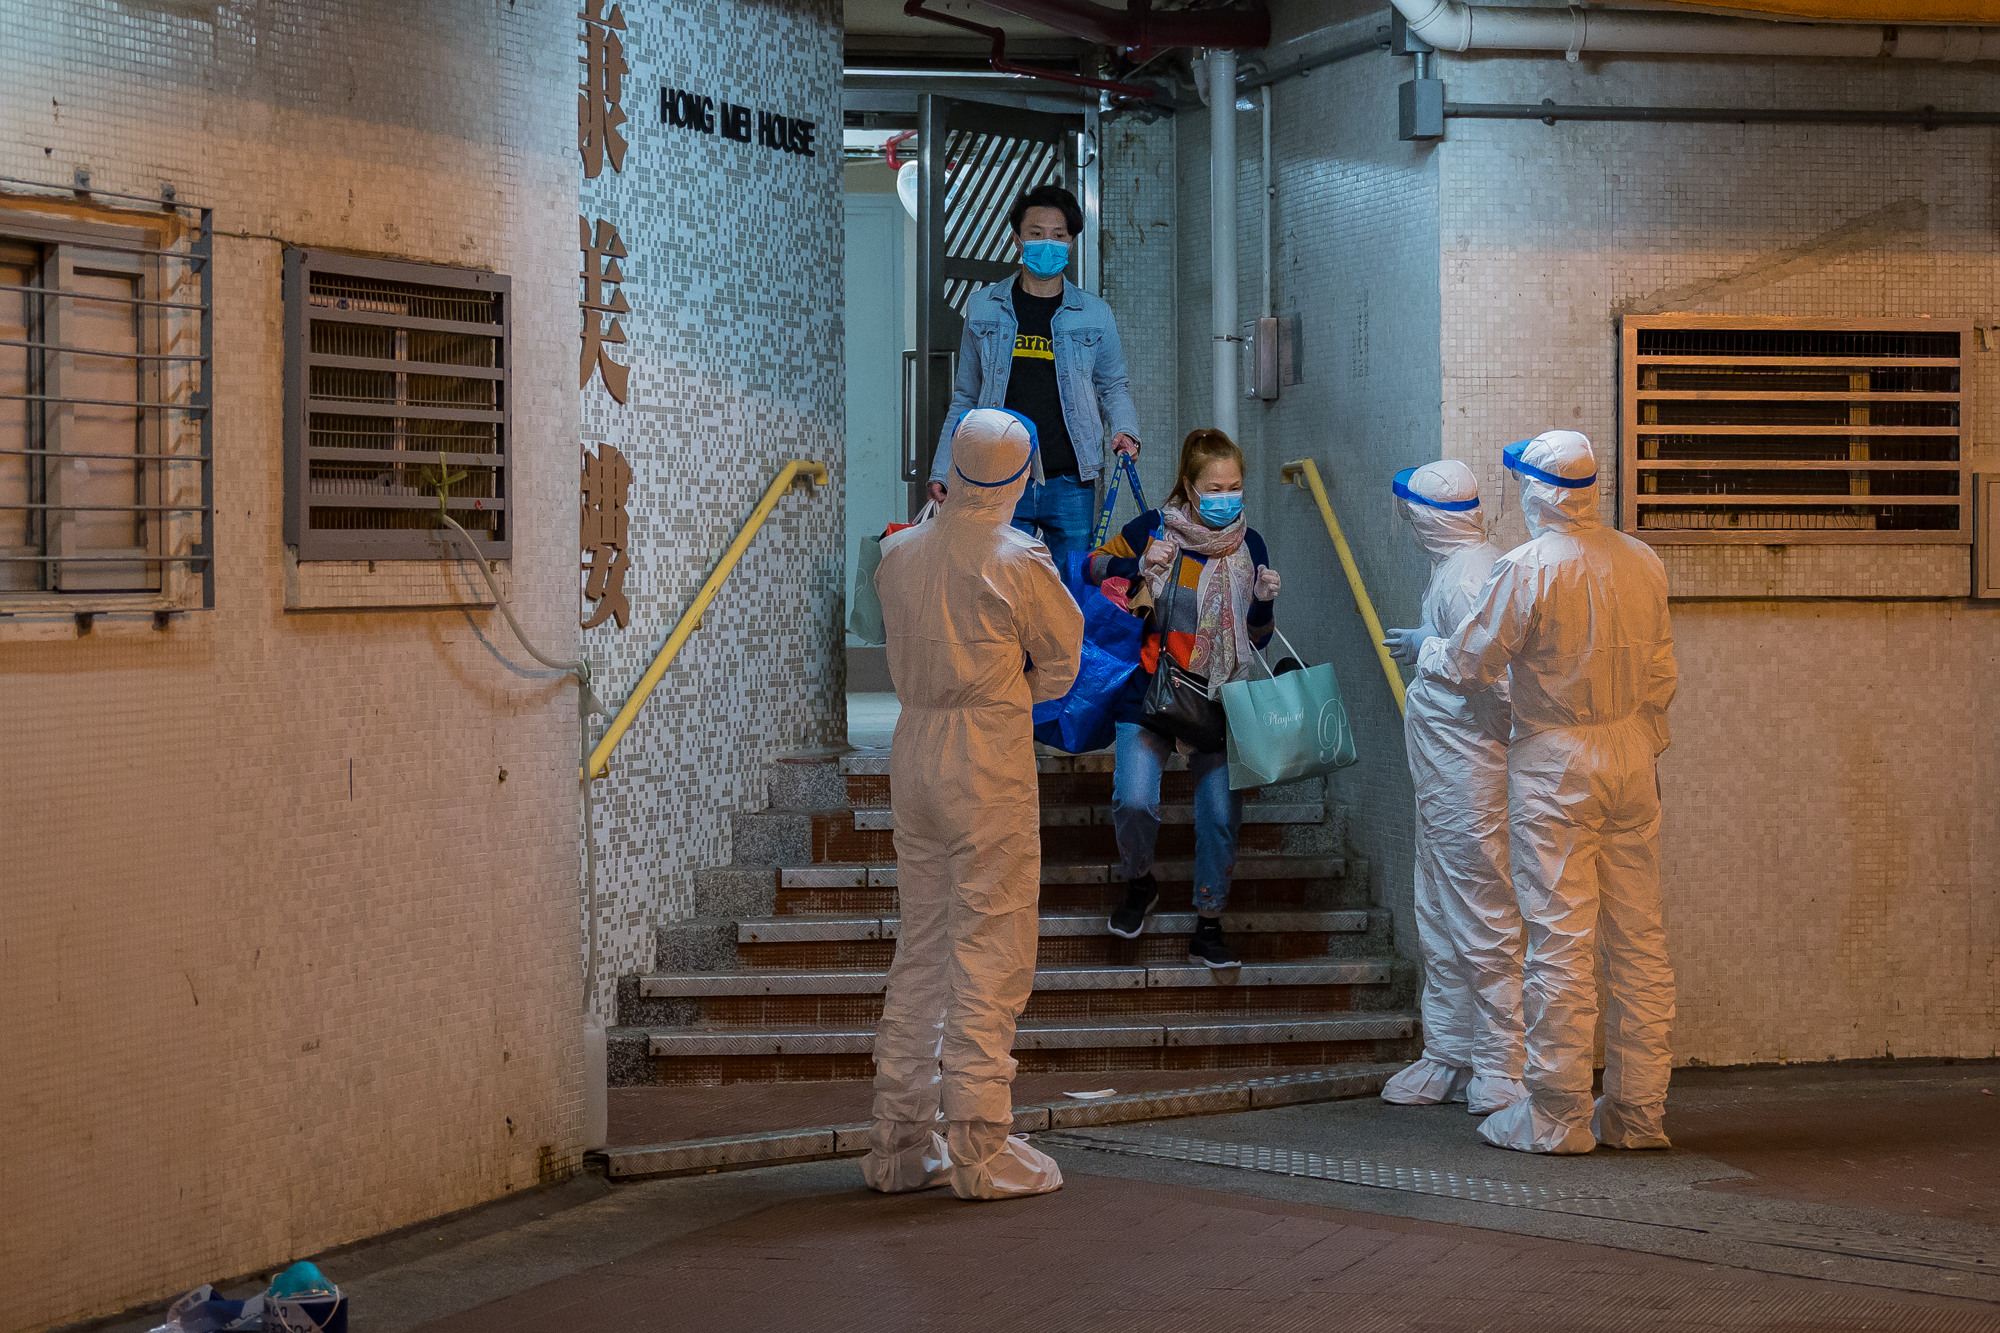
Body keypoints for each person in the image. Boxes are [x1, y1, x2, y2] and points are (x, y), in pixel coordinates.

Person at [1418, 430, 1678, 1155]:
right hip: (1631, 753)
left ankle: (1558, 1112)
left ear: (1535, 491)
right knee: (1639, 939)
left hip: (1555, 759)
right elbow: (1662, 672)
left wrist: (1429, 648)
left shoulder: (1527, 568)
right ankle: (1637, 1112)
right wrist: (1646, 743)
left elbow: (1474, 659)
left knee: (1561, 936)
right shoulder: (1641, 560)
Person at [864, 407, 1085, 1200]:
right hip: (987, 751)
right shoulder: (1018, 558)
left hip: (914, 747)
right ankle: (981, 1150)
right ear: (1021, 477)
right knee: (988, 945)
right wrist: (1006, 694)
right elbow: (1063, 662)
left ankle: (897, 1141)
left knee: (920, 944)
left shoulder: (897, 553)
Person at [1086, 429, 1281, 969]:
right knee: (1134, 800)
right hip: (1152, 688)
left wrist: (1263, 604)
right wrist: (1138, 566)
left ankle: (1209, 923)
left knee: (1220, 816)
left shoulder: (1250, 546)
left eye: (1235, 485)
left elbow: (1258, 638)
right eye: (1215, 487)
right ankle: (1140, 882)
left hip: (1222, 699)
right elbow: (1090, 565)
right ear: (1191, 489)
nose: (1227, 496)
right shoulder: (1153, 528)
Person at [1377, 461, 1526, 1116]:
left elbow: (1500, 687)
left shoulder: (1469, 576)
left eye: (1409, 512)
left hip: (1469, 778)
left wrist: (1490, 751)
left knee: (1481, 910)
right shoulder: (1459, 568)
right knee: (1439, 909)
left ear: (1428, 518)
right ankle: (1449, 1051)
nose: (1404, 523)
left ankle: (1500, 1063)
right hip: (1443, 779)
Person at [927, 183, 1142, 577]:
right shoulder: (983, 307)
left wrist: (1126, 430)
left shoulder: (1094, 313)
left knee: (1072, 590)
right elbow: (965, 397)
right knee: (999, 588)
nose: (1048, 243)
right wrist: (943, 469)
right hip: (1000, 476)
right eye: (1036, 233)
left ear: (1072, 244)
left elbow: (1114, 386)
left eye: (1058, 236)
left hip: (1072, 478)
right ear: (1017, 239)